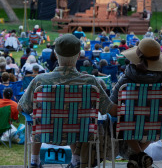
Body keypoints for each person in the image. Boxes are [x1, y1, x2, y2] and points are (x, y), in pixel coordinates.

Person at [18, 34, 117, 168]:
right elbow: (109, 109)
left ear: (56, 55)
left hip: (45, 134)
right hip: (81, 134)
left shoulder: (40, 81)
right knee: (74, 117)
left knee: (36, 118)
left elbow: (22, 108)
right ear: (78, 55)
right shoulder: (90, 82)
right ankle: (76, 161)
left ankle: (34, 161)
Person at [110, 38, 162, 167]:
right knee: (153, 119)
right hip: (157, 128)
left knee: (122, 120)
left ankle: (138, 155)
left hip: (128, 128)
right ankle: (139, 156)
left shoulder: (126, 80)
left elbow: (112, 103)